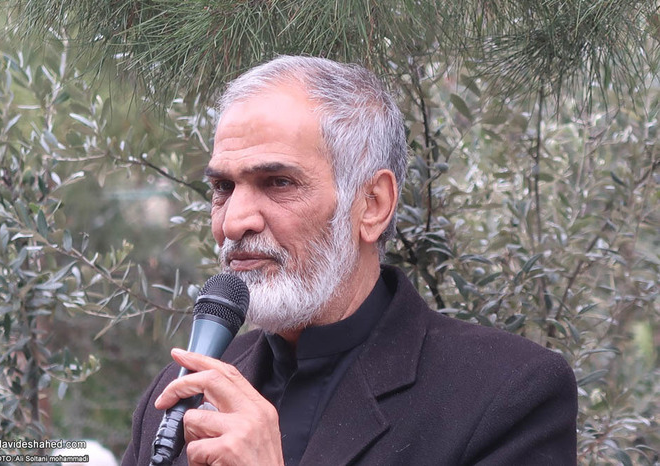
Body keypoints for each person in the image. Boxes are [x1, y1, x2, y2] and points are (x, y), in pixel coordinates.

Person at [122, 56, 577, 466]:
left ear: (373, 205)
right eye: (223, 187)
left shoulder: (506, 391)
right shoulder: (177, 395)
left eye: (278, 182)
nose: (235, 221)